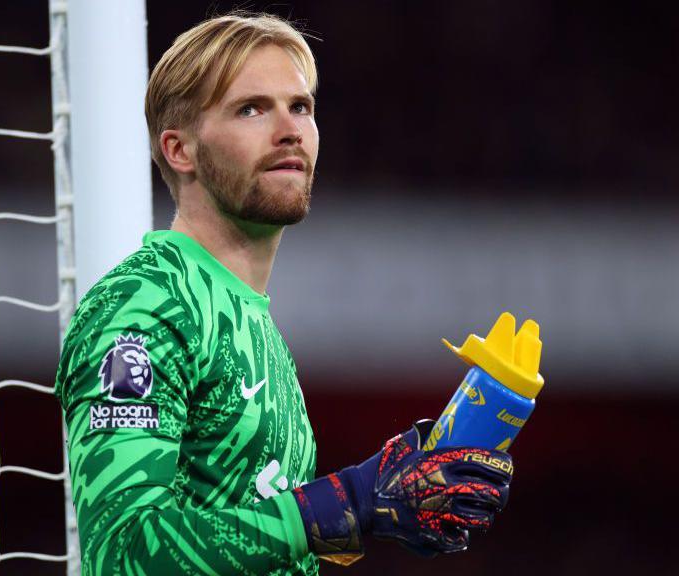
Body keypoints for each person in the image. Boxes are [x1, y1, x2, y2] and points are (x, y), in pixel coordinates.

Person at [54, 12, 514, 575]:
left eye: (300, 107)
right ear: (180, 150)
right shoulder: (147, 305)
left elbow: (270, 534)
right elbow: (124, 551)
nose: (289, 129)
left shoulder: (255, 323)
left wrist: (381, 506)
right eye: (251, 108)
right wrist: (344, 502)